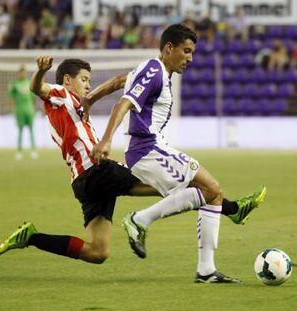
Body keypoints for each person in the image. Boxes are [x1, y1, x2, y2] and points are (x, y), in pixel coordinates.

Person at [0, 56, 245, 267]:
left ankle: (32, 237)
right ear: (67, 80)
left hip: (84, 182)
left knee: (97, 252)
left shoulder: (77, 108)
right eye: (84, 80)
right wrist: (41, 71)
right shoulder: (61, 95)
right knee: (174, 184)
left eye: (89, 81)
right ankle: (231, 208)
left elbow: (116, 85)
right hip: (95, 172)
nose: (87, 85)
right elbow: (37, 88)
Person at [90, 24, 266, 283]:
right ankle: (140, 220)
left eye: (192, 52)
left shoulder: (152, 71)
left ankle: (206, 270)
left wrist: (89, 99)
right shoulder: (154, 70)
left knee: (213, 195)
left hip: (151, 149)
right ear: (169, 48)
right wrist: (106, 139)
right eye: (186, 51)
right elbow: (123, 102)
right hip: (147, 148)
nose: (190, 58)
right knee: (212, 189)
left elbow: (119, 82)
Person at [8, 65, 37, 160]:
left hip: (29, 110)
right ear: (18, 74)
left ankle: (33, 151)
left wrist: (33, 109)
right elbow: (11, 97)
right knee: (20, 131)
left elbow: (33, 98)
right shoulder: (15, 84)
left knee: (31, 131)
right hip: (19, 111)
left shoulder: (29, 83)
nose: (22, 74)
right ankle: (19, 151)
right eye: (21, 72)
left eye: (24, 72)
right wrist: (13, 109)